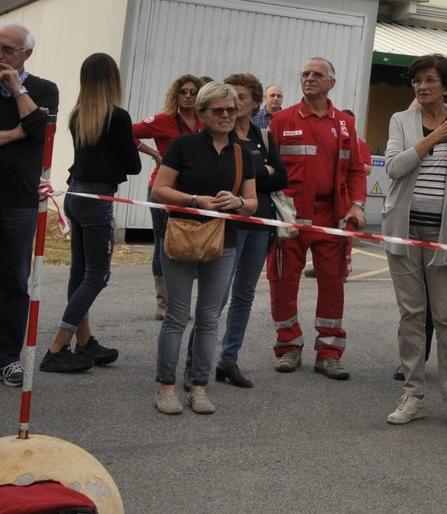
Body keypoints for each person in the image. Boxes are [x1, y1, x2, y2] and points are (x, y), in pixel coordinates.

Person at [382, 55, 447, 430]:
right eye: (417, 81)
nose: (422, 87)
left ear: (446, 86)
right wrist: (431, 140)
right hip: (403, 231)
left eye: (430, 80)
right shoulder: (400, 120)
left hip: (444, 234)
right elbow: (393, 167)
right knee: (411, 315)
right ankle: (414, 394)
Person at [149, 81, 257, 415]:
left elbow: (252, 204)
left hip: (222, 241)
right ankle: (166, 387)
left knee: (210, 317)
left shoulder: (243, 152)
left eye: (231, 109)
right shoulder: (183, 145)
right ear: (202, 113)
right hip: (181, 236)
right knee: (177, 316)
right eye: (218, 110)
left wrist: (238, 201)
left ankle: (199, 387)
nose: (226, 115)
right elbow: (159, 190)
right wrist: (195, 200)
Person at [0, 23, 59, 387]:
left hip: (19, 203)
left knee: (15, 285)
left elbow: (41, 132)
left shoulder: (44, 90)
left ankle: (5, 359)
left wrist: (17, 90)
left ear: (26, 55)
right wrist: (13, 134)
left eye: (7, 49)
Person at [268, 57, 367, 379]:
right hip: (290, 218)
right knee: (283, 283)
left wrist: (357, 204)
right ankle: (288, 347)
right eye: (305, 74)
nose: (309, 78)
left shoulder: (344, 124)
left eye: (317, 75)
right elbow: (268, 171)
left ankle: (329, 353)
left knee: (332, 285)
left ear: (331, 84)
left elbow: (355, 170)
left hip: (331, 217)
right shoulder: (281, 120)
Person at [41, 52, 139, 374]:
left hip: (76, 194)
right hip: (98, 198)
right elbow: (133, 165)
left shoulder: (78, 115)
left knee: (81, 272)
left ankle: (84, 341)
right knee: (98, 275)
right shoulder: (118, 117)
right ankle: (57, 346)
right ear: (113, 79)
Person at [213, 73, 288, 389]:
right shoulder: (221, 136)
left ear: (256, 102)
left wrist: (255, 176)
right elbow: (225, 176)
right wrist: (261, 171)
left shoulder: (264, 137)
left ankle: (228, 361)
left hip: (259, 225)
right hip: (229, 226)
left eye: (242, 97)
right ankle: (195, 363)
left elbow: (281, 178)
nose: (234, 103)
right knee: (216, 297)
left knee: (244, 295)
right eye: (231, 96)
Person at [133, 72, 203, 321]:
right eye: (183, 91)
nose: (188, 96)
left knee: (189, 245)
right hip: (162, 190)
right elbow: (129, 132)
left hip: (193, 193)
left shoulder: (206, 121)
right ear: (176, 94)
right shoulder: (163, 120)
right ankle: (164, 304)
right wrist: (153, 152)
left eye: (193, 92)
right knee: (164, 244)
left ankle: (180, 300)